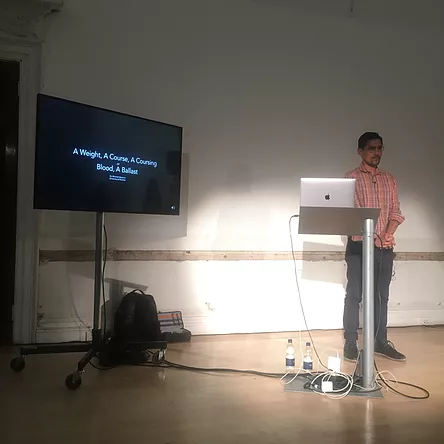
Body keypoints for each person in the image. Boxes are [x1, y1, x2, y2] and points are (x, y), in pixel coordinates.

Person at [343, 132, 406, 362]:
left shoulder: (390, 179)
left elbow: (396, 212)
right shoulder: (351, 178)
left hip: (383, 249)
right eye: (371, 148)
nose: (377, 153)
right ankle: (350, 341)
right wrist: (374, 237)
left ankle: (380, 342)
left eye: (380, 148)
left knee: (382, 296)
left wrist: (387, 234)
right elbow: (353, 214)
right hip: (359, 247)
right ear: (360, 151)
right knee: (354, 295)